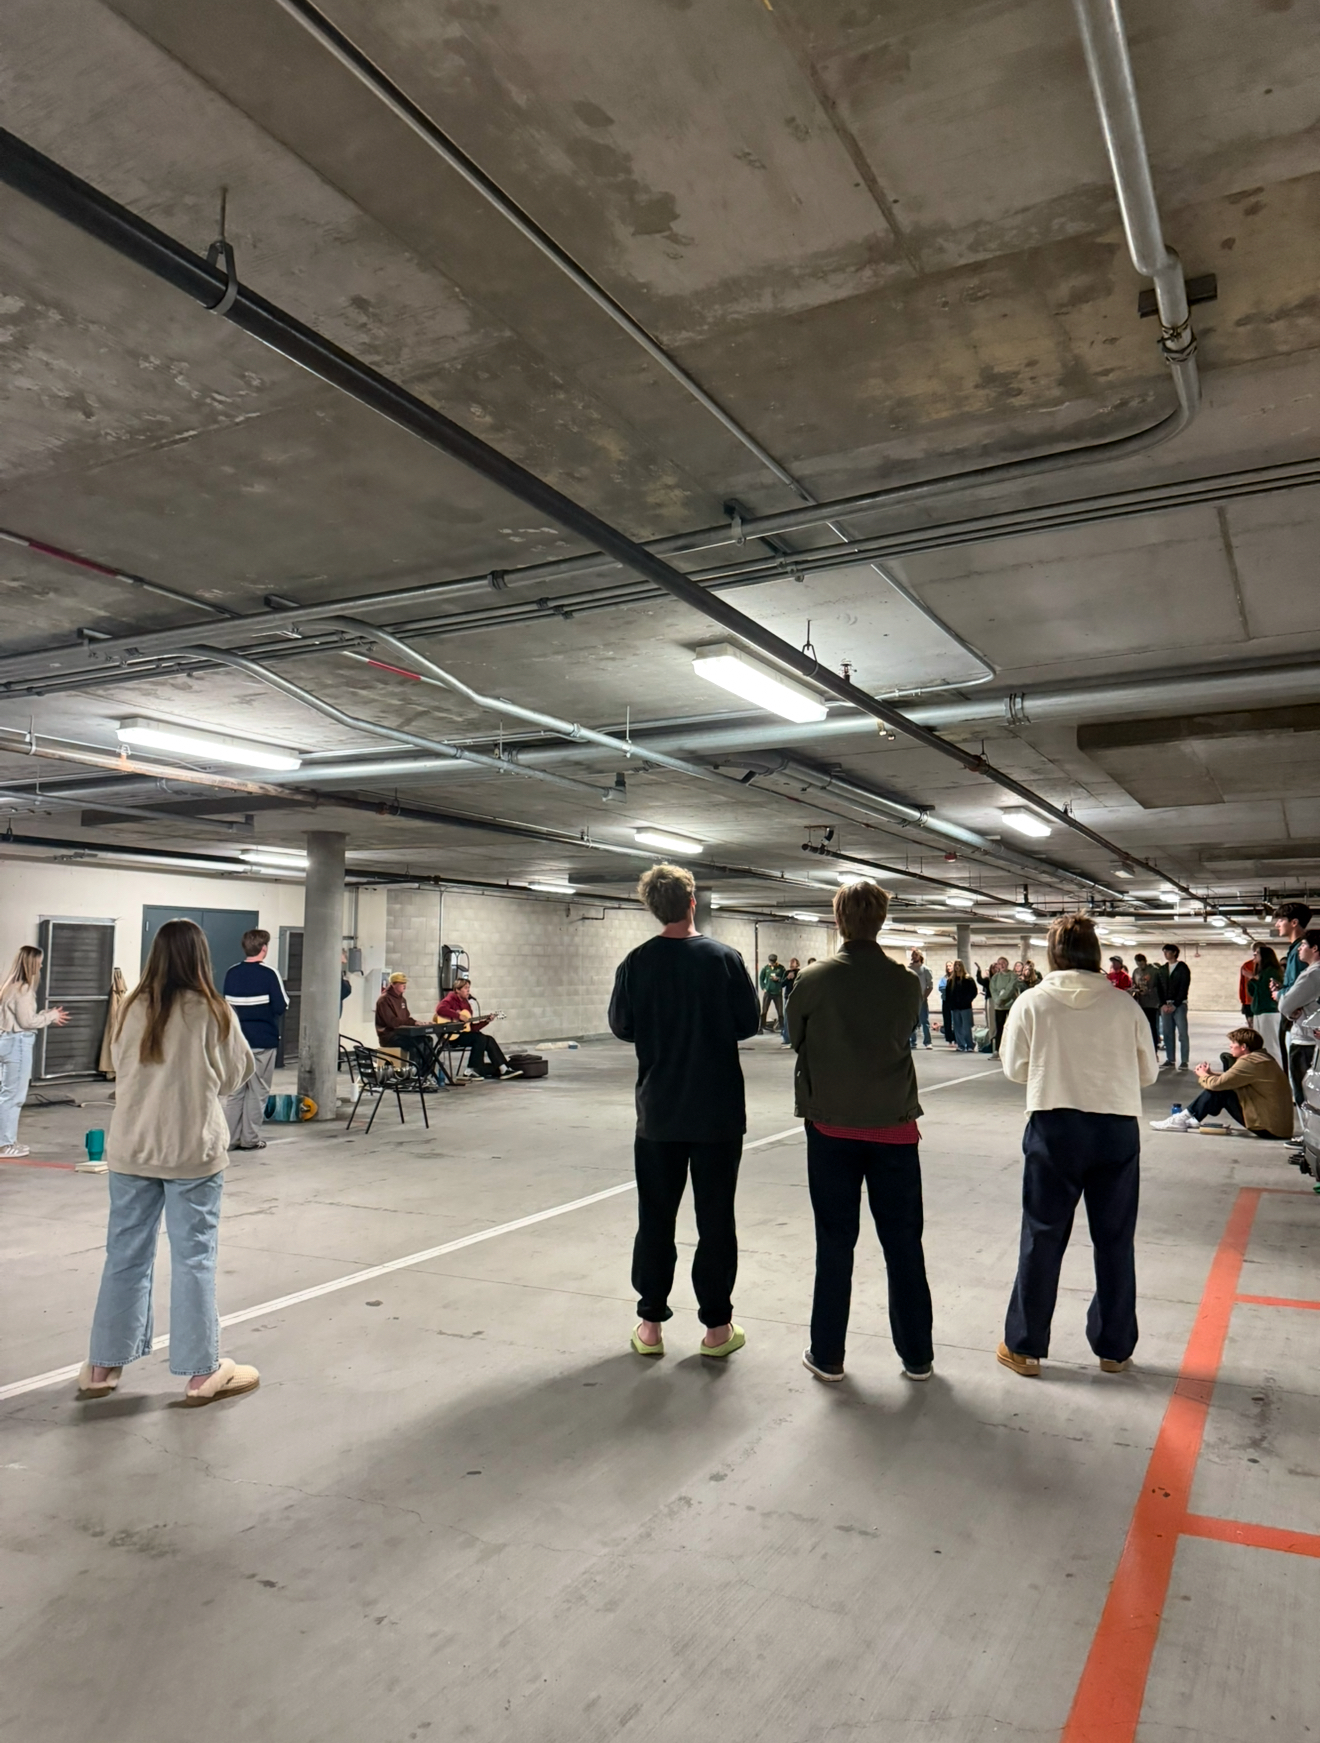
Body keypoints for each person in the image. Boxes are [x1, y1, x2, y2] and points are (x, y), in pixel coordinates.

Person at [78, 918, 259, 1406]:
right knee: (194, 1258)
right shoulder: (213, 1011)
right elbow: (236, 1075)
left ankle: (102, 1366)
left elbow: (118, 1061)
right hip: (190, 1152)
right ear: (201, 957)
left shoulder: (134, 1006)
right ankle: (201, 1373)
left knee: (124, 1256)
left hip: (131, 1149)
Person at [996, 913, 1158, 1379]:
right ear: (1095, 953)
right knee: (1113, 1239)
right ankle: (1114, 1349)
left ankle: (1024, 1347)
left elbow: (1015, 1068)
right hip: (1115, 1127)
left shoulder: (1032, 1002)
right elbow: (1147, 1073)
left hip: (1054, 1124)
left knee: (1043, 1234)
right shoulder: (1124, 1005)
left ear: (1053, 954)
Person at [609, 865, 759, 1359]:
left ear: (653, 908)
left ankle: (650, 1326)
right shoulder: (724, 958)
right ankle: (717, 1329)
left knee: (655, 1217)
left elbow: (623, 1027)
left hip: (658, 1113)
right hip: (717, 1114)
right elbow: (747, 1024)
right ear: (693, 902)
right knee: (715, 1219)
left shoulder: (636, 963)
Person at [788, 880, 932, 1383]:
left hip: (831, 1128)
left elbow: (794, 1035)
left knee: (834, 1243)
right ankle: (917, 1356)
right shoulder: (905, 981)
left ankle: (827, 1355)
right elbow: (904, 1031)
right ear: (882, 920)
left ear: (838, 919)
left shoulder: (813, 979)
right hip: (893, 1128)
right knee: (903, 1245)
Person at [1151, 1028, 1293, 1139]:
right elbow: (1235, 1078)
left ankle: (1181, 1119)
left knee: (1220, 1090)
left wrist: (1203, 1076)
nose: (1230, 1046)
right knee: (1223, 1086)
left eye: (1233, 1043)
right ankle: (1192, 1118)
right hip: (1277, 1127)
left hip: (1267, 1128)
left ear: (1243, 1047)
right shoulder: (1261, 1059)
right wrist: (1211, 1074)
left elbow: (1217, 1085)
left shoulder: (1250, 1062)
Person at [222, 928, 288, 1152]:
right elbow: (281, 1005)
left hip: (236, 1042)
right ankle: (250, 1139)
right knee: (258, 1091)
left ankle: (229, 1140)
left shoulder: (232, 973)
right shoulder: (270, 974)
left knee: (235, 1091)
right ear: (264, 948)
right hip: (263, 1041)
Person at [0, 945, 69, 1159]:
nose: (41, 965)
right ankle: (5, 1144)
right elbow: (27, 1021)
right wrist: (51, 1017)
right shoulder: (23, 989)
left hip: (8, 1040)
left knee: (6, 1094)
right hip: (17, 1044)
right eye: (39, 961)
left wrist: (46, 1014)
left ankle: (6, 1140)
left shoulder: (9, 986)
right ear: (32, 963)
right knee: (14, 1096)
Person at [1273, 902, 1315, 1109]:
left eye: (1281, 920)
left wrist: (1280, 994)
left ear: (1294, 922)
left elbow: (1299, 989)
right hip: (1297, 1019)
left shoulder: (1300, 952)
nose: (1277, 924)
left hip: (1300, 1024)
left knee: (1300, 1078)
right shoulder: (1295, 951)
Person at [435, 977, 515, 1079]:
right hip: (451, 1036)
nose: (468, 990)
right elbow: (440, 1009)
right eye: (465, 988)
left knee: (488, 1039)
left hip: (463, 1034)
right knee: (479, 1038)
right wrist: (458, 1016)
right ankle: (470, 1070)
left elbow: (471, 1028)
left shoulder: (467, 1005)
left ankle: (503, 1068)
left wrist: (486, 1021)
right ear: (457, 990)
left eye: (469, 987)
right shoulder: (450, 999)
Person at [1246, 944, 1284, 1066]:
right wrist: (1253, 980)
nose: (1254, 956)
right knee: (1263, 1046)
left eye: (1256, 954)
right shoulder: (1261, 972)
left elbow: (1265, 991)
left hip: (1269, 1012)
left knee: (1271, 1046)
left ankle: (1277, 1073)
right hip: (1260, 1012)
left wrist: (1253, 979)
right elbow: (1253, 992)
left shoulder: (1271, 972)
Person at [1157, 944, 1191, 1071]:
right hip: (1165, 1005)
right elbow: (1158, 988)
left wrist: (1175, 1004)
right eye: (1164, 952)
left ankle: (1184, 1061)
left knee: (1182, 1033)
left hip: (1180, 1005)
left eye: (1168, 952)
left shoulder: (1182, 968)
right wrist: (1162, 1004)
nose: (1165, 954)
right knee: (1167, 1033)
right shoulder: (1162, 969)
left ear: (1175, 952)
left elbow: (1184, 987)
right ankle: (1170, 1059)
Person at [977, 957, 1021, 1052]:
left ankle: (1011, 1049)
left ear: (1007, 963)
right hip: (999, 1006)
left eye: (1004, 963)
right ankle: (998, 1050)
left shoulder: (1013, 975)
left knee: (1011, 1027)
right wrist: (997, 1000)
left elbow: (1010, 988)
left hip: (1010, 1005)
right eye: (999, 963)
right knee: (999, 1028)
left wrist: (1002, 998)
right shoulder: (995, 977)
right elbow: (993, 990)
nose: (1002, 965)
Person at [1130, 953, 1162, 1052]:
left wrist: (1150, 992)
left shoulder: (1154, 971)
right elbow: (1134, 984)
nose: (1140, 966)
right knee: (1141, 1026)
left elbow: (1160, 986)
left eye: (1142, 963)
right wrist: (1134, 990)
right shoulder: (1136, 972)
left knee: (1152, 1026)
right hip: (1141, 1003)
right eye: (1138, 964)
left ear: (1145, 961)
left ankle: (1154, 1047)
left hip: (1152, 1003)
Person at [374, 971, 415, 1046]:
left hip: (401, 1034)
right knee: (416, 1044)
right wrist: (413, 1023)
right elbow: (392, 1022)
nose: (404, 986)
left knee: (427, 1040)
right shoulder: (384, 1000)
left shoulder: (402, 1000)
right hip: (389, 1036)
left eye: (405, 983)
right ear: (393, 984)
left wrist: (418, 1023)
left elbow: (406, 1018)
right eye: (401, 983)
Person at [946, 960, 978, 1052]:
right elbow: (948, 994)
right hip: (955, 1007)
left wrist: (967, 1000)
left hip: (965, 1007)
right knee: (957, 1027)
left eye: (959, 965)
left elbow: (973, 992)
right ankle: (961, 1045)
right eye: (955, 965)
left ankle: (969, 1045)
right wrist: (950, 1004)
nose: (957, 967)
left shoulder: (968, 979)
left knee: (966, 1027)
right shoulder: (951, 980)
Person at [909, 950, 933, 1049]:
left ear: (920, 956)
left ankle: (927, 1042)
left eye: (916, 955)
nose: (914, 957)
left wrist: (924, 997)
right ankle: (912, 1041)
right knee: (912, 1021)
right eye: (913, 955)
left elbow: (930, 985)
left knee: (924, 1021)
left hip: (922, 999)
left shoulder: (925, 969)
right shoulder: (908, 969)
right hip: (911, 999)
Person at [758, 954, 787, 1032]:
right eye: (771, 962)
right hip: (768, 992)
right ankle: (761, 1026)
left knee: (780, 1011)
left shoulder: (781, 968)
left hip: (777, 992)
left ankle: (782, 1027)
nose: (772, 963)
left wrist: (778, 979)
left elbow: (784, 979)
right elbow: (761, 978)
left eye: (773, 962)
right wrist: (763, 988)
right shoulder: (765, 968)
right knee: (764, 1010)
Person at [779, 957, 801, 1045]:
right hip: (787, 997)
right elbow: (782, 984)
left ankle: (796, 1038)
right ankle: (786, 1038)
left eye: (793, 962)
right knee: (787, 1018)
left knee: (797, 1018)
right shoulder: (786, 972)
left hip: (797, 997)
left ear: (797, 964)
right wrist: (787, 978)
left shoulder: (800, 972)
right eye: (790, 962)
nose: (791, 963)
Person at [939, 961, 954, 1047]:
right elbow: (941, 988)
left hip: (954, 1002)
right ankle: (949, 1040)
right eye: (947, 966)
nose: (948, 967)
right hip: (946, 1001)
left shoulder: (956, 978)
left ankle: (956, 1039)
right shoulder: (944, 979)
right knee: (947, 1021)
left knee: (955, 1021)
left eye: (950, 966)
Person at [1237, 954, 1256, 1023]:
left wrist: (1243, 1000)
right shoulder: (1246, 966)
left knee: (1252, 1025)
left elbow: (1242, 986)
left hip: (1249, 1001)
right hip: (1252, 1001)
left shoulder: (1246, 966)